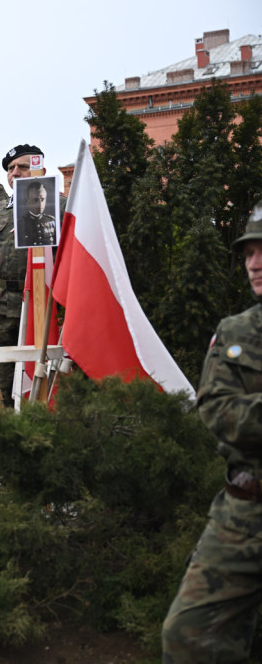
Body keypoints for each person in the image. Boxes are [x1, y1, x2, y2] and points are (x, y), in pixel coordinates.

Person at [162, 200, 262, 662]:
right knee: (187, 634)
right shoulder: (236, 332)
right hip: (245, 514)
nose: (254, 264)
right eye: (249, 253)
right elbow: (217, 411)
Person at [0, 143, 43, 407]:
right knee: (7, 384)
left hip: (40, 306)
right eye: (10, 168)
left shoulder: (58, 206)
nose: (15, 173)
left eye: (22, 167)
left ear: (40, 170)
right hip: (1, 309)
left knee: (42, 379)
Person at [17, 180, 56, 247]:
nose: (40, 204)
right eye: (36, 200)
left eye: (42, 199)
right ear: (27, 201)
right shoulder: (20, 224)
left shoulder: (52, 220)